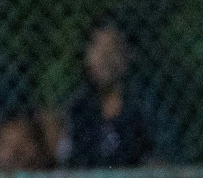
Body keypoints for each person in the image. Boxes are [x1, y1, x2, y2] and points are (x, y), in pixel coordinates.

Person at [63, 15, 178, 169]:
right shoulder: (80, 108)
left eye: (111, 50)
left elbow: (164, 154)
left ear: (127, 56)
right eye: (97, 49)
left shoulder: (144, 101)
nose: (103, 59)